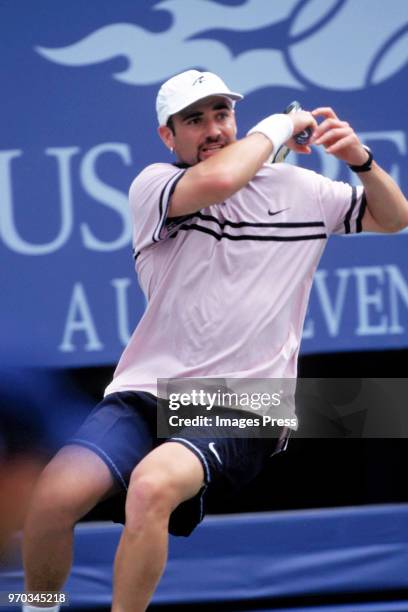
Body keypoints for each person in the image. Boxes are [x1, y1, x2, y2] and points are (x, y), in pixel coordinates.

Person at [22, 70, 408, 612]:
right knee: (48, 503)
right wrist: (282, 124)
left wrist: (362, 162)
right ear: (168, 135)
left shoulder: (302, 191)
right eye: (194, 120)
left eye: (221, 115)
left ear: (235, 119)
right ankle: (40, 607)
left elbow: (394, 218)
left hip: (246, 399)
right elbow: (221, 182)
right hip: (147, 391)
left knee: (152, 488)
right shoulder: (154, 185)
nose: (212, 129)